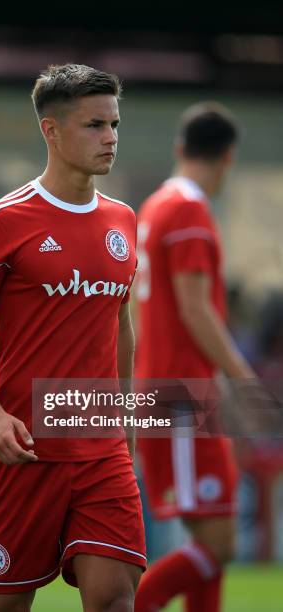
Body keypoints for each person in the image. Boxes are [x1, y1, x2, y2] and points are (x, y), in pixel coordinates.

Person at [0, 63, 146, 612]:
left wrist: (125, 423)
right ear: (50, 132)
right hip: (23, 453)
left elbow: (120, 326)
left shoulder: (124, 221)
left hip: (102, 452)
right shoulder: (0, 220)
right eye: (94, 126)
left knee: (115, 600)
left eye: (114, 124)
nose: (110, 139)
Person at [134, 103, 256, 611]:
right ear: (227, 158)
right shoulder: (189, 210)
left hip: (166, 388)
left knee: (206, 537)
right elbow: (195, 308)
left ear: (181, 147)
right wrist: (243, 379)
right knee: (219, 544)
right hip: (183, 394)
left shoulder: (155, 206)